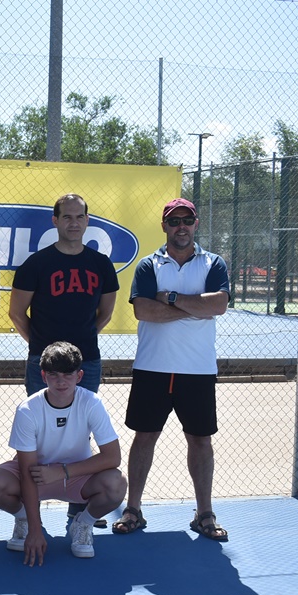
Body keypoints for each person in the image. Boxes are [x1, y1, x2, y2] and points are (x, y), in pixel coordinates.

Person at [114, 198, 231, 542]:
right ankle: (133, 509)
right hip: (153, 369)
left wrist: (170, 298)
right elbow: (144, 312)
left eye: (187, 220)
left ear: (196, 224)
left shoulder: (213, 263)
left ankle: (204, 513)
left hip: (197, 371)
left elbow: (219, 305)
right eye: (174, 220)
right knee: (144, 437)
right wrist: (196, 307)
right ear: (164, 226)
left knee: (200, 440)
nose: (181, 226)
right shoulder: (149, 265)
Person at [8, 193, 119, 527]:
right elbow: (16, 313)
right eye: (66, 217)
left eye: (79, 217)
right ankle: (31, 514)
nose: (74, 223)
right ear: (55, 221)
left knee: (81, 431)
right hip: (42, 363)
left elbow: (106, 312)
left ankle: (78, 511)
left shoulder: (101, 264)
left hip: (87, 363)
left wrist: (79, 348)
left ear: (87, 221)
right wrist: (43, 351)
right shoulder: (36, 264)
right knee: (39, 433)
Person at [0, 342, 126, 566]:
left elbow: (112, 457)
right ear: (43, 375)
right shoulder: (28, 409)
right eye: (53, 374)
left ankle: (84, 524)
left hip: (75, 477)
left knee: (117, 483)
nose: (61, 381)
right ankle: (24, 519)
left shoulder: (91, 402)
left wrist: (63, 472)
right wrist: (35, 528)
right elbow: (26, 468)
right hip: (35, 474)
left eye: (68, 374)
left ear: (79, 376)